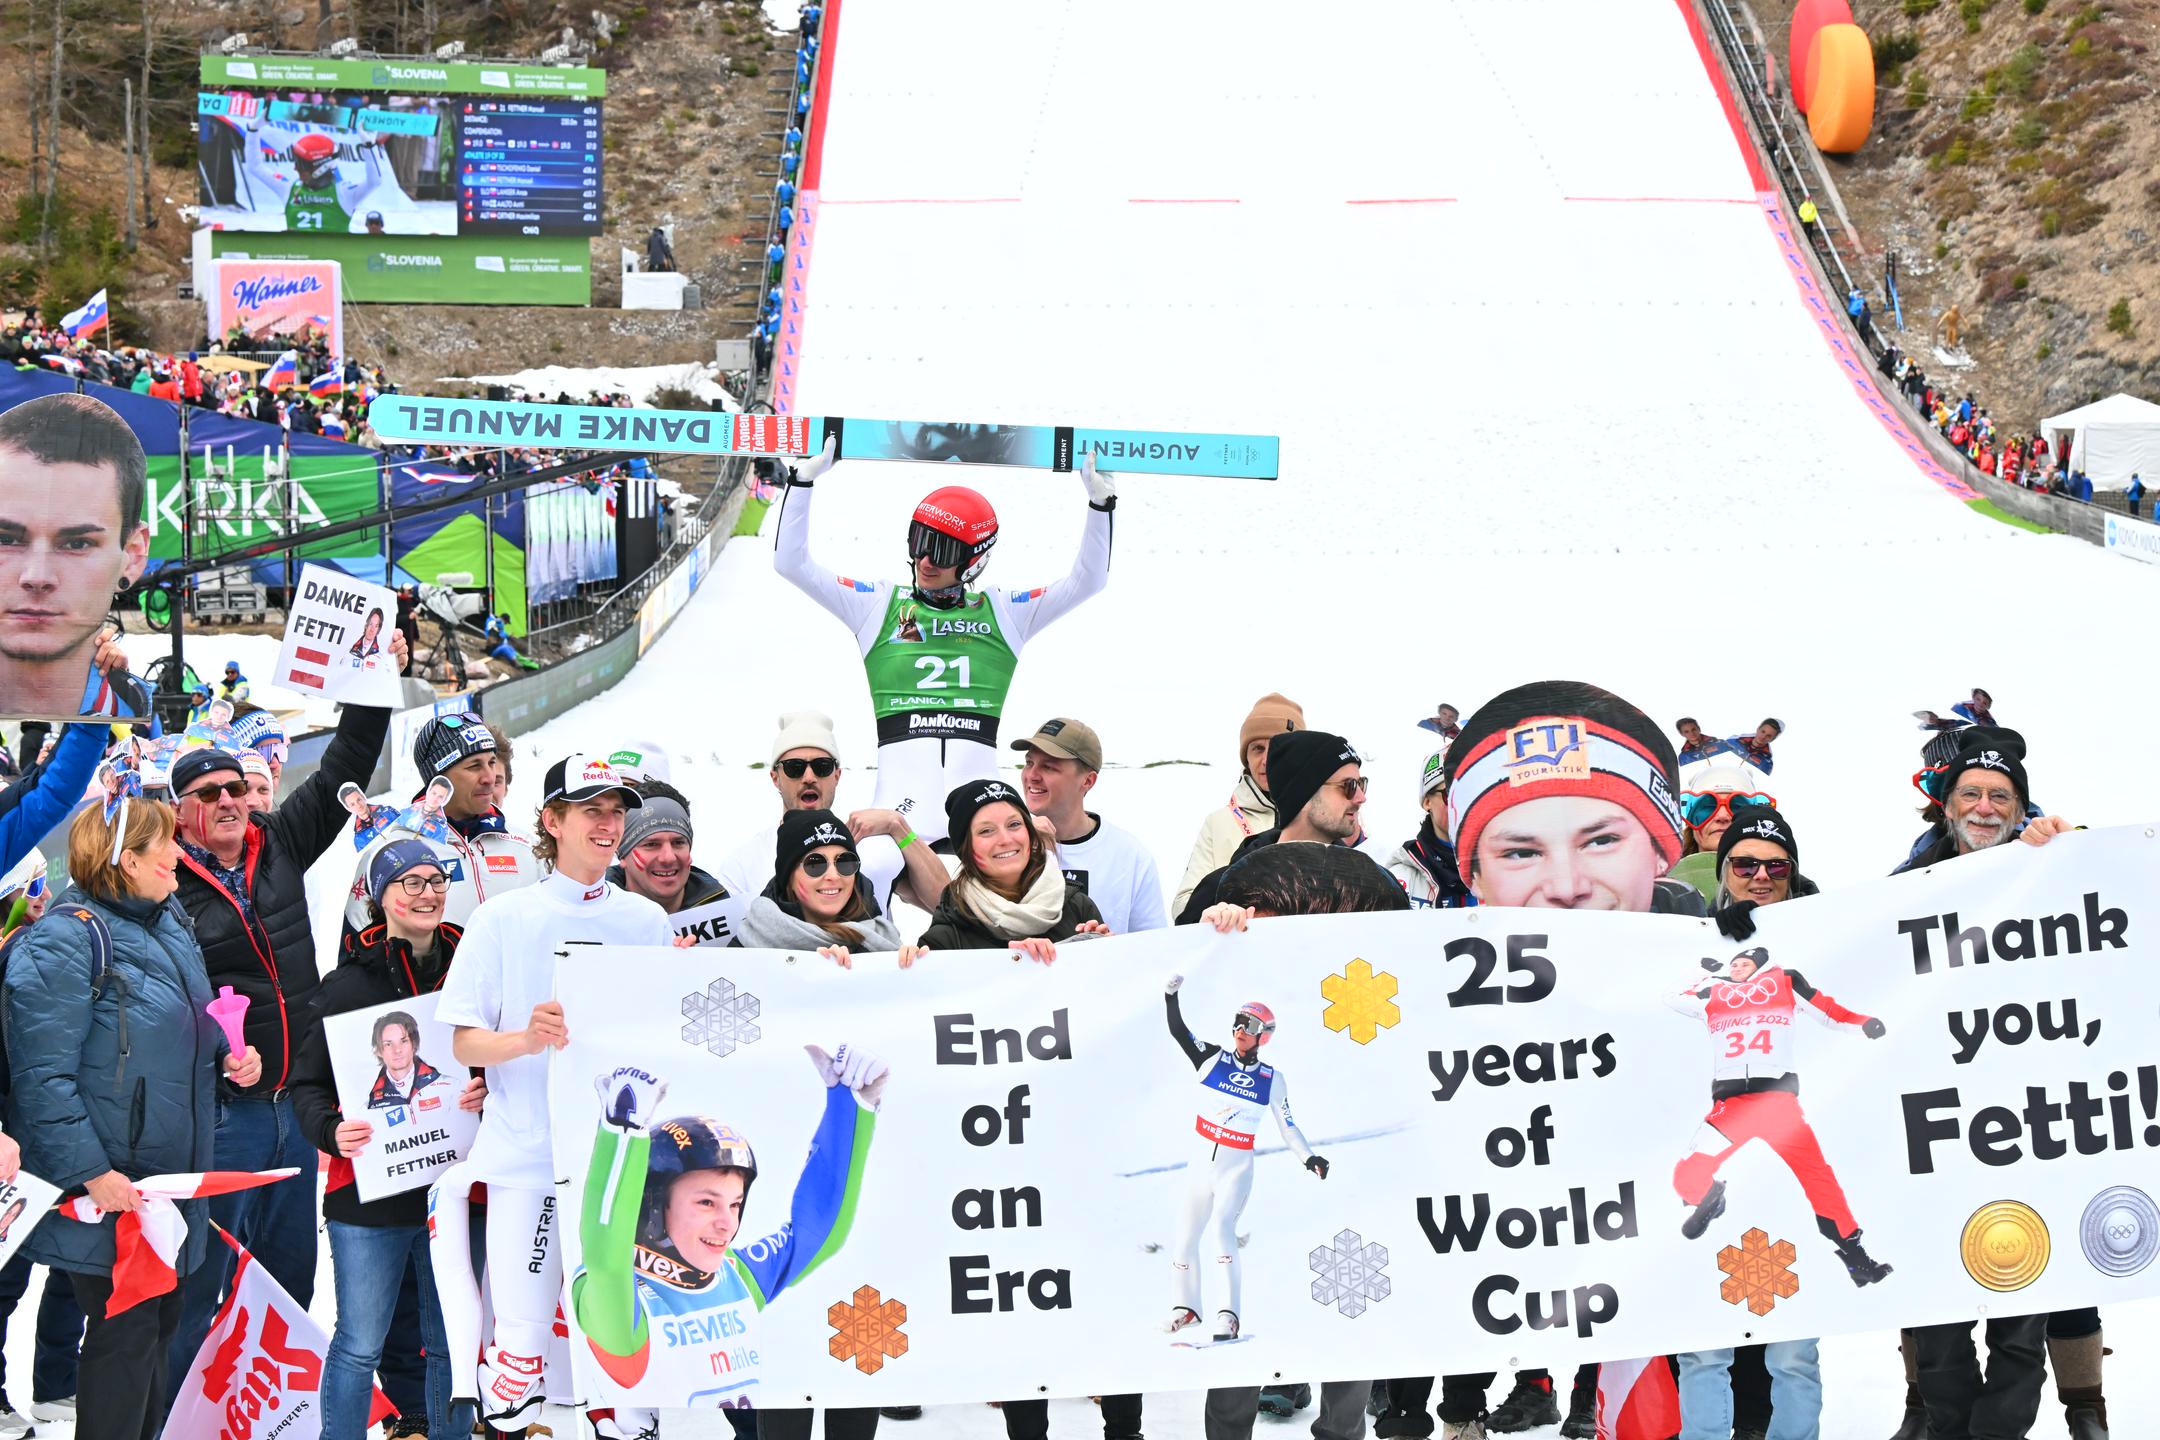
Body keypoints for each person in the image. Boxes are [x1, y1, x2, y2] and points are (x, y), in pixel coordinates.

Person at [1413, 680, 1703, 1439]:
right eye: (1521, 851)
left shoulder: (1726, 962)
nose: (1568, 887)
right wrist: (1233, 939)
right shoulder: (1426, 979)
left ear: (1661, 848)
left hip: (1668, 1288)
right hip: (1509, 1267)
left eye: (1601, 839)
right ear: (1475, 875)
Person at [162, 631, 404, 1405]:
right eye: (209, 794)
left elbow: (346, 760)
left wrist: (372, 673)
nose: (229, 802)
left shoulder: (281, 842)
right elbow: (151, 1003)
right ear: (180, 811)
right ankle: (178, 1420)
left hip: (296, 1110)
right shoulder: (160, 881)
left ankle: (262, 1415)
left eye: (236, 788)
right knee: (201, 1286)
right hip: (223, 1117)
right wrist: (215, 1054)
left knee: (286, 1282)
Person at [429, 753, 676, 1429]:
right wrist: (525, 1039)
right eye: (591, 810)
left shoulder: (645, 922)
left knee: (622, 1356)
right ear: (552, 821)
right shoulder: (503, 919)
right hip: (528, 1161)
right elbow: (464, 1044)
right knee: (520, 1349)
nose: (607, 824)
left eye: (615, 812)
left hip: (620, 1166)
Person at [5, 792, 261, 1440]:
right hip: (111, 1189)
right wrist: (93, 1174)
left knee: (157, 1331)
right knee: (125, 1341)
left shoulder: (166, 917)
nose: (179, 851)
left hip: (168, 1180)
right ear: (126, 860)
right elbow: (42, 1080)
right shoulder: (63, 940)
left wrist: (228, 1056)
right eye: (164, 843)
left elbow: (180, 1025)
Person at [1888, 737, 2101, 1440]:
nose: (1984, 807)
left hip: (2026, 1127)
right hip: (1940, 1128)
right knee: (1938, 1302)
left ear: (2020, 808)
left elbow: (2114, 897)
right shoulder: (1903, 888)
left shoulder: (2050, 861)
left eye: (2000, 796)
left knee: (2025, 1301)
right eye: (1971, 794)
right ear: (1946, 806)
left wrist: (2071, 844)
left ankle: (2006, 1430)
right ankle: (1945, 1423)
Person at [774, 441, 1114, 845]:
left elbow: (1087, 582)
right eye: (919, 542)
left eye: (943, 550)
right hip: (901, 806)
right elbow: (791, 564)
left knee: (1034, 871)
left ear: (975, 560)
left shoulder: (1005, 612)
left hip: (979, 809)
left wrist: (1101, 505)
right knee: (862, 869)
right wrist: (801, 482)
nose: (925, 560)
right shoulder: (877, 605)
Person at [1183, 844, 1406, 1440]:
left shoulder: (1364, 982)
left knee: (1349, 1310)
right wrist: (1214, 932)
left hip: (1346, 1178)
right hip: (1254, 1185)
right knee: (1243, 1312)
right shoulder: (1237, 979)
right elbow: (1189, 994)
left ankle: (1342, 1431)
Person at [570, 1044, 886, 1438]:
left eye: (735, 1204)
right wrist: (621, 1132)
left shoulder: (733, 1276)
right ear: (652, 1204)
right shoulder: (617, 1296)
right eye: (706, 1202)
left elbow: (815, 1235)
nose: (727, 1224)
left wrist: (850, 1110)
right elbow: (607, 1261)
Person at [290, 839, 483, 1440]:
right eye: (411, 883)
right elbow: (306, 1085)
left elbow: (500, 1063)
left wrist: (486, 1088)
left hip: (455, 1190)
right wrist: (331, 1130)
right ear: (381, 897)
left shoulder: (473, 970)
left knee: (452, 1340)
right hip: (367, 1198)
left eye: (437, 880)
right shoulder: (347, 986)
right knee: (358, 1344)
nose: (428, 893)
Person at [1670, 808, 1821, 1440]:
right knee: (1704, 1345)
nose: (1761, 876)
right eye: (1745, 864)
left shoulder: (1823, 932)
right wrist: (1719, 943)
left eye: (1776, 867)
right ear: (1722, 869)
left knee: (1794, 1349)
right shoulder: (1685, 938)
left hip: (1787, 1135)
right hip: (1722, 1121)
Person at [1160, 980, 1327, 1342]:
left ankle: (1228, 1316)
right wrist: (1171, 997)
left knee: (1222, 1232)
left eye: (1249, 1025)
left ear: (1263, 1036)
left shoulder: (1272, 1080)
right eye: (1237, 1021)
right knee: (1185, 1238)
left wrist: (1309, 1157)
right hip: (1200, 1164)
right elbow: (1178, 1031)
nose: (1240, 1029)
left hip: (1235, 1168)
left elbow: (1288, 1126)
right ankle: (1186, 1307)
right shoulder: (1212, 1058)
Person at [712, 712, 949, 927]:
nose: (809, 777)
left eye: (822, 766)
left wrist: (898, 827)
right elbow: (723, 946)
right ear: (775, 778)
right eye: (794, 768)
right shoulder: (744, 862)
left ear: (837, 775)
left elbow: (949, 908)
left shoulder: (872, 845)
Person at [0, 395, 153, 720]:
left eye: (77, 544)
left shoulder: (131, 709)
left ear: (132, 555)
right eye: (6, 539)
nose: (37, 576)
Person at [345, 713, 539, 934]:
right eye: (474, 766)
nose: (489, 778)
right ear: (439, 779)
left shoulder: (524, 845)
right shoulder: (390, 853)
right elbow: (357, 945)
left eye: (491, 763)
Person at [1179, 729, 1379, 923]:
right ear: (1303, 793)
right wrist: (1210, 929)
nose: (1361, 798)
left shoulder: (1369, 881)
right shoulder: (1225, 887)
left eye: (1361, 784)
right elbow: (1184, 941)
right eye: (1348, 786)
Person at [914, 780, 1108, 958]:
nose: (1006, 839)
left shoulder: (1078, 907)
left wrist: (1105, 950)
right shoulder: (946, 937)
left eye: (1014, 824)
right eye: (986, 831)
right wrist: (909, 964)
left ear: (1030, 833)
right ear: (965, 849)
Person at [1012, 716, 1168, 934]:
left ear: (1087, 781)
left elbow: (1152, 943)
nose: (1032, 775)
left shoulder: (1130, 855)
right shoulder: (1006, 846)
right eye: (1029, 763)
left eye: (1048, 767)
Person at [1175, 693, 1304, 915]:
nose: (1266, 760)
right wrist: (1223, 907)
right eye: (1258, 749)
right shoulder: (1219, 822)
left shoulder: (1325, 816)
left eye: (1277, 748)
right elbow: (1182, 908)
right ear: (1246, 758)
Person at [732, 808, 911, 966]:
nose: (833, 876)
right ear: (788, 878)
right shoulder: (747, 945)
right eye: (815, 864)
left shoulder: (884, 941)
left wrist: (912, 970)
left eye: (845, 862)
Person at [608, 786, 743, 946]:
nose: (668, 857)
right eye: (651, 844)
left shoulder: (731, 919)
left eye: (678, 842)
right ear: (621, 854)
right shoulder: (591, 916)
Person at [1384, 752, 1472, 908]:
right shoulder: (1401, 878)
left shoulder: (1508, 866)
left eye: (1472, 792)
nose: (1462, 803)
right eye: (1451, 793)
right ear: (1427, 802)